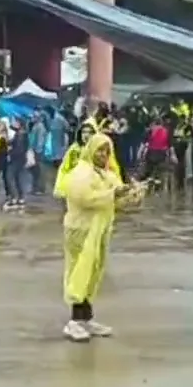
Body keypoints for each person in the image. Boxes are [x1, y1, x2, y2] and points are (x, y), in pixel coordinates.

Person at [60, 133, 134, 342]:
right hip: (81, 230)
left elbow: (116, 198)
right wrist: (113, 195)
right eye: (100, 150)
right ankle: (73, 321)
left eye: (107, 151)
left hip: (99, 230)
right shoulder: (81, 173)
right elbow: (84, 198)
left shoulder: (107, 173)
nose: (103, 154)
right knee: (79, 271)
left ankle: (86, 318)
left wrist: (132, 194)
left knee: (93, 272)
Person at [55, 124, 119, 197]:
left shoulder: (102, 148)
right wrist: (60, 188)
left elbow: (112, 167)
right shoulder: (74, 149)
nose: (86, 135)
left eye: (90, 132)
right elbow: (65, 168)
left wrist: (117, 185)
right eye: (84, 132)